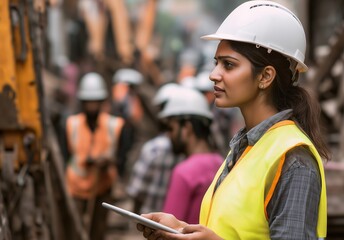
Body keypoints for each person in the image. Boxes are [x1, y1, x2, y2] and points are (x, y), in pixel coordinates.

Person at [137, 1, 329, 239]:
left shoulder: (293, 160)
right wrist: (180, 228)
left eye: (229, 65)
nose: (213, 74)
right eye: (216, 63)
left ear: (266, 76)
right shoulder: (245, 147)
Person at [64, 72, 125, 240]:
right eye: (88, 102)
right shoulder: (72, 124)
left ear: (102, 102)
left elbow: (120, 157)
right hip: (76, 188)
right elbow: (67, 154)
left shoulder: (114, 125)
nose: (92, 106)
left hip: (102, 187)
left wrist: (108, 162)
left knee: (98, 231)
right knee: (75, 231)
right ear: (82, 102)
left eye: (95, 102)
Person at [159, 87, 223, 224]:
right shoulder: (222, 162)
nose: (168, 135)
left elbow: (168, 231)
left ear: (186, 128)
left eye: (171, 128)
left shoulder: (184, 172)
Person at [126, 83, 184, 214]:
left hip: (152, 219)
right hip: (177, 220)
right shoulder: (189, 149)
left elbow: (137, 190)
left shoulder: (153, 148)